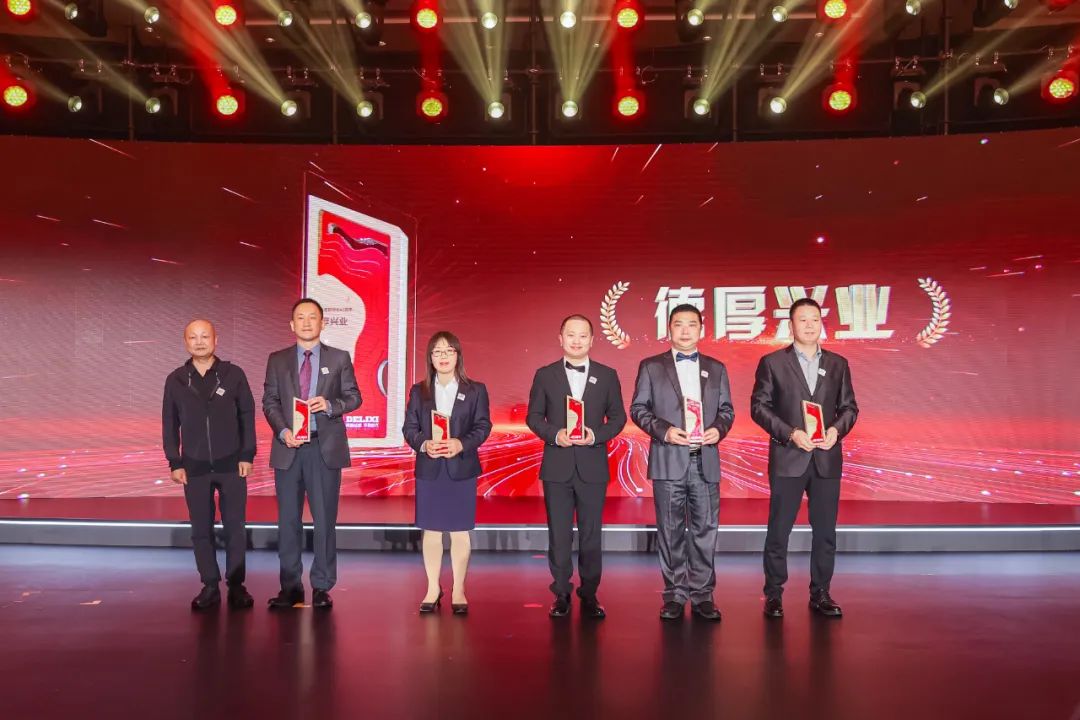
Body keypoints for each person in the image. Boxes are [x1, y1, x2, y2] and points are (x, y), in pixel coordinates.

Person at [750, 297, 858, 618]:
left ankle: (821, 592)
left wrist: (836, 430)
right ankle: (773, 594)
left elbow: (850, 408)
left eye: (815, 319)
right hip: (789, 455)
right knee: (779, 529)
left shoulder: (838, 364)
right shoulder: (773, 363)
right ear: (791, 325)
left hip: (826, 457)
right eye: (803, 320)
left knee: (825, 531)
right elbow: (759, 407)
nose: (809, 325)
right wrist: (790, 433)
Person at [629, 303, 734, 622]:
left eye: (692, 324)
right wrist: (665, 431)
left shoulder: (716, 368)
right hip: (668, 459)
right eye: (679, 324)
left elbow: (727, 411)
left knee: (705, 529)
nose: (685, 330)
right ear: (669, 329)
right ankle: (674, 594)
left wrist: (718, 430)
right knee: (670, 529)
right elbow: (638, 409)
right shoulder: (651, 366)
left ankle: (703, 594)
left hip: (704, 460)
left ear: (701, 329)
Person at [262, 298, 361, 611]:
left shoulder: (339, 358)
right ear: (292, 324)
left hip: (323, 448)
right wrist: (283, 431)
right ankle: (290, 586)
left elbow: (354, 397)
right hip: (289, 448)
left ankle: (322, 585)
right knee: (288, 521)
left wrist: (330, 405)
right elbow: (270, 401)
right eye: (300, 317)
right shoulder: (277, 359)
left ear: (323, 323)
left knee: (324, 520)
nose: (306, 322)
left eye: (312, 317)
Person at [526, 314, 626, 619]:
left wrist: (595, 435)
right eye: (571, 334)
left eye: (583, 335)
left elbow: (618, 418)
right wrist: (555, 434)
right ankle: (561, 592)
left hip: (592, 466)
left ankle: (590, 593)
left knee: (591, 534)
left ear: (592, 340)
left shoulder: (607, 375)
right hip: (557, 466)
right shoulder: (545, 375)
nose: (577, 340)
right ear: (560, 338)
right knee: (559, 533)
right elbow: (533, 417)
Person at [162, 319, 256, 611]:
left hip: (232, 465)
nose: (199, 342)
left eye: (205, 336)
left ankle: (237, 585)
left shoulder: (233, 374)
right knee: (201, 530)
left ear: (216, 340)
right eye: (193, 337)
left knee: (235, 528)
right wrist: (174, 462)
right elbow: (169, 424)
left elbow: (247, 416)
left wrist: (247, 455)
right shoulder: (176, 379)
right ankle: (210, 585)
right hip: (194, 468)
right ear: (185, 342)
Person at [402, 332, 492, 615]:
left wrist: (460, 443)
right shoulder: (419, 391)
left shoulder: (475, 390)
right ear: (430, 358)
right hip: (430, 469)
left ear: (458, 356)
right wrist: (424, 444)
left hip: (461, 468)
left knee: (459, 532)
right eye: (437, 352)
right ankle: (432, 588)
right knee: (431, 531)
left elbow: (483, 426)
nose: (443, 356)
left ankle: (459, 589)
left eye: (448, 351)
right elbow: (409, 428)